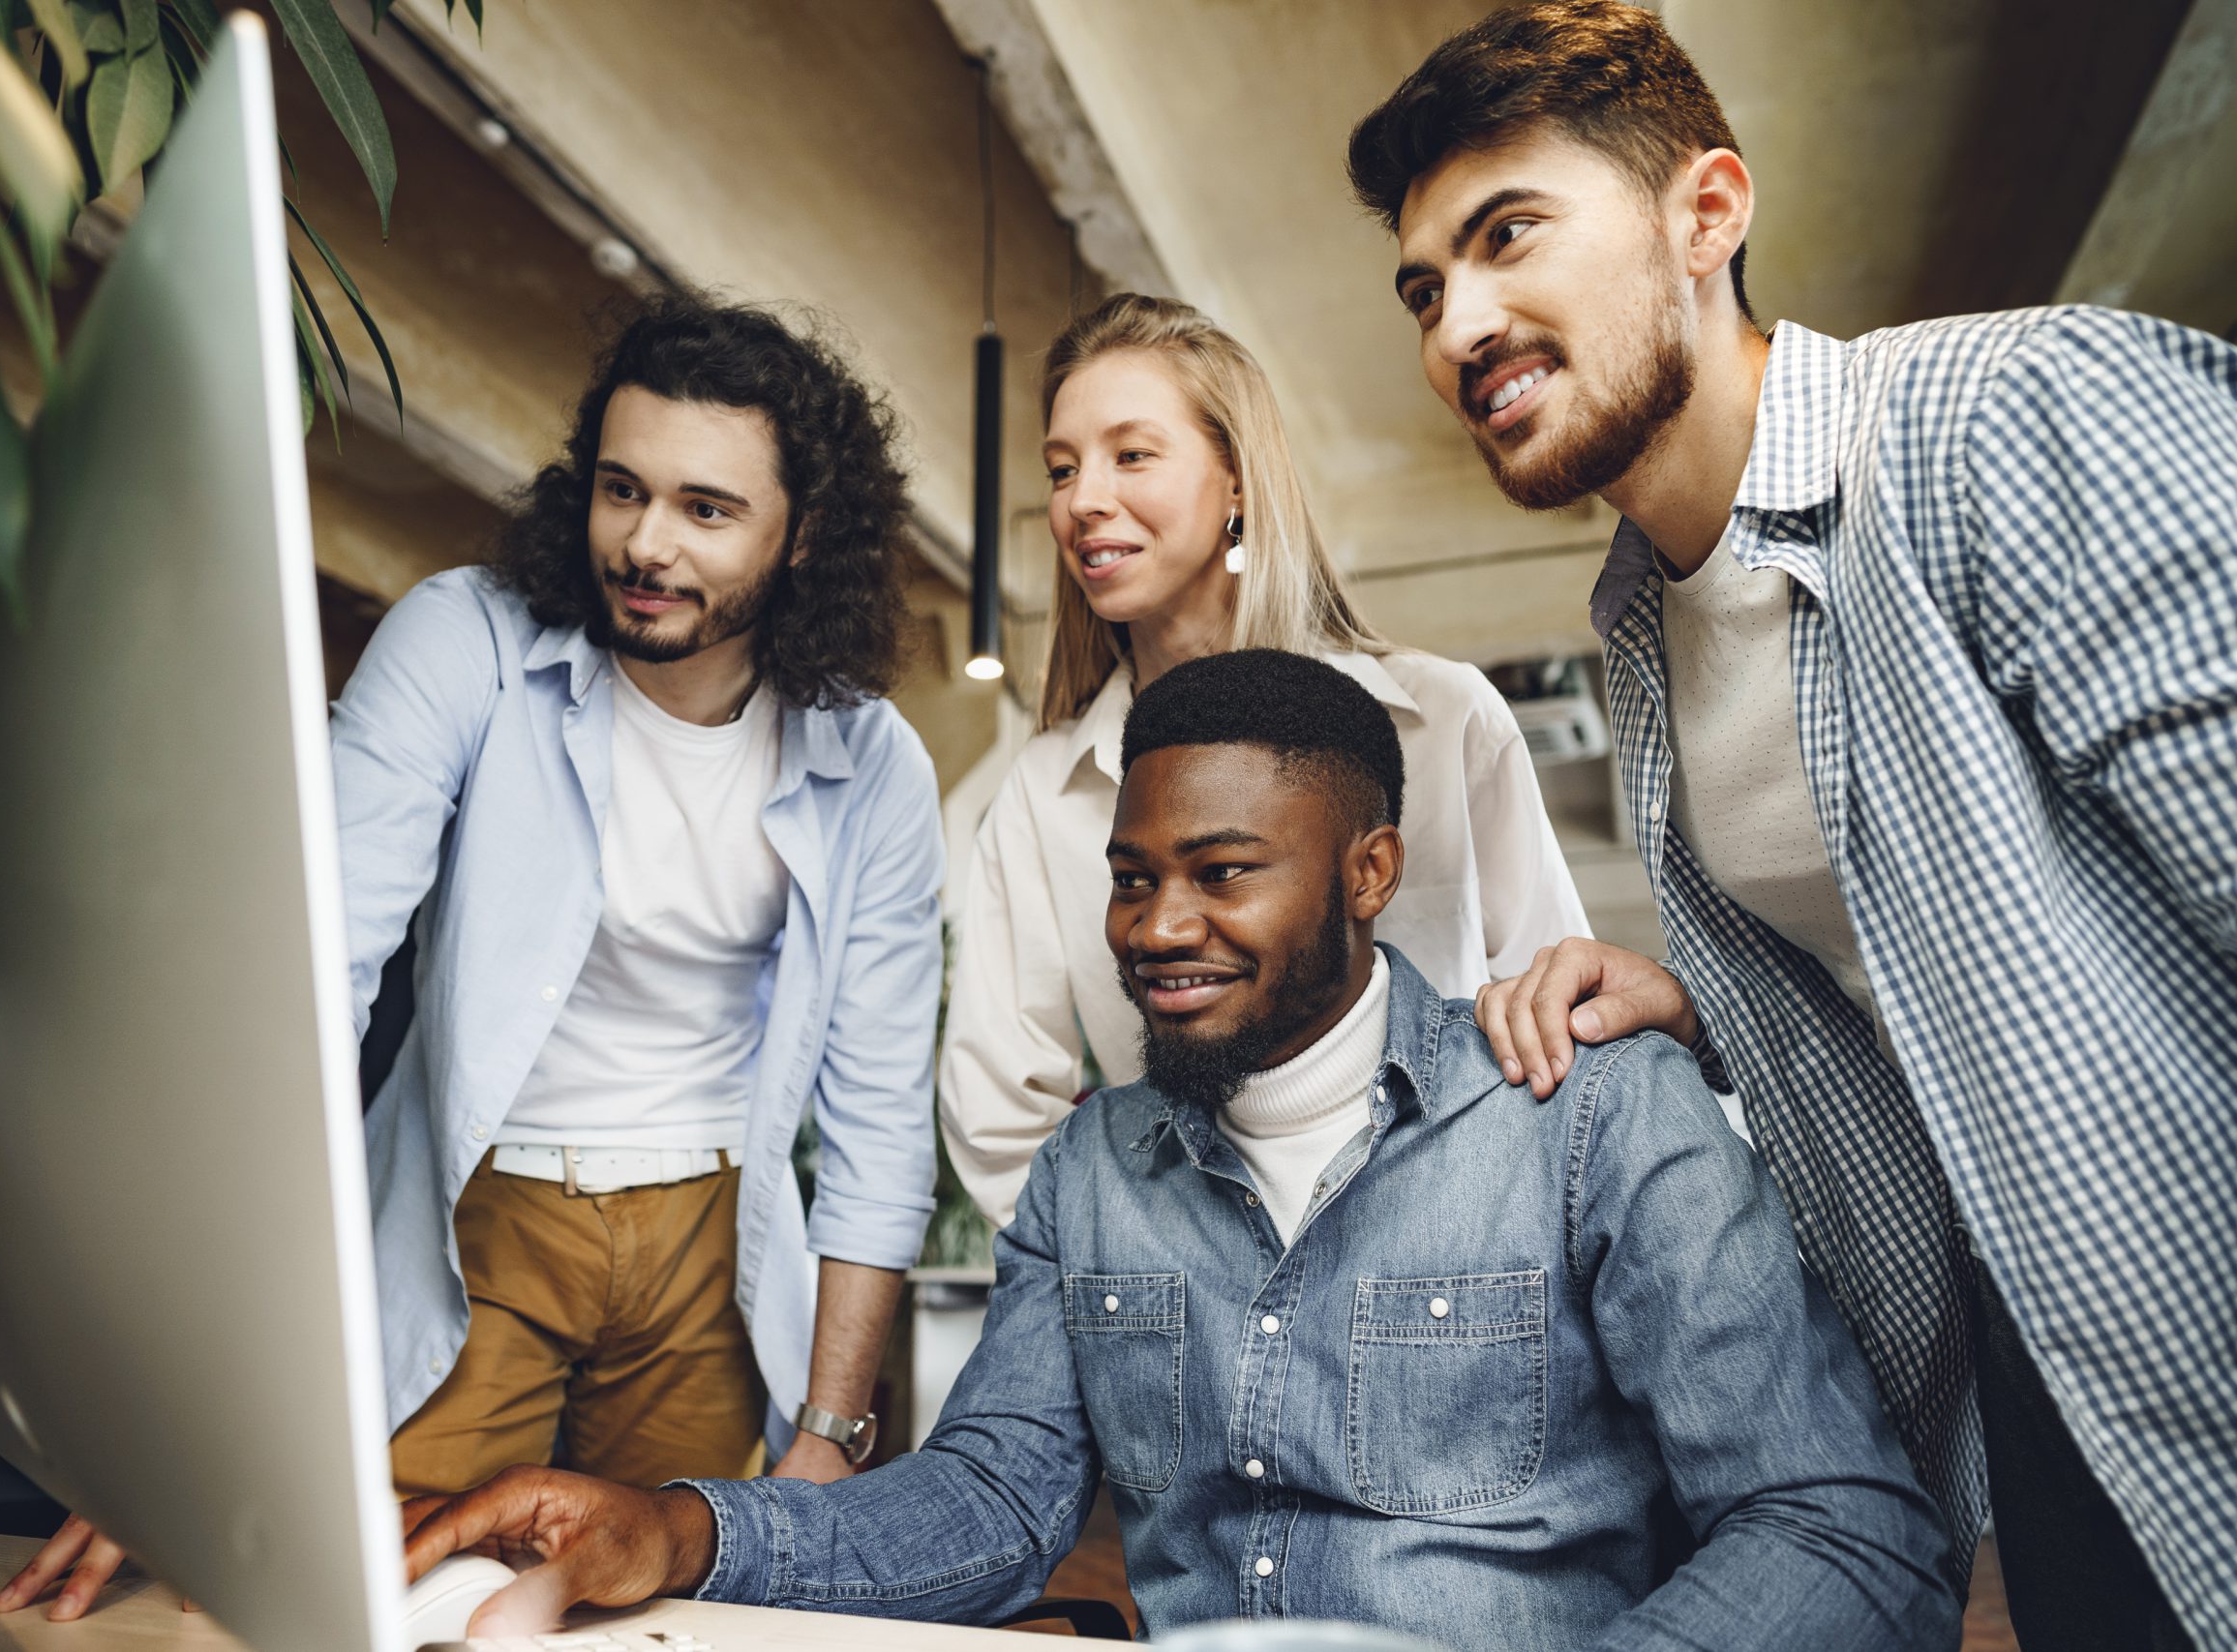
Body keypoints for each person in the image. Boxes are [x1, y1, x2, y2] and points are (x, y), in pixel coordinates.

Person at [396, 649, 1959, 1650]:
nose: (1156, 928)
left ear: (1369, 872)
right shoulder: (1093, 1174)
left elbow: (1846, 1529)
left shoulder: (1594, 1111)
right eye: (1134, 878)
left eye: (1221, 873)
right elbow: (997, 1506)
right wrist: (677, 1525)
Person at [1345, 6, 2237, 1647]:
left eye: (1507, 233)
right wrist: (1713, 1014)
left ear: (1708, 214)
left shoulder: (2011, 417)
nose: (1457, 322)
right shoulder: (1642, 623)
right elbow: (1940, 970)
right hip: (2046, 1381)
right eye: (1423, 286)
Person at [0, 294, 946, 1621]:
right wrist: (188, 1388)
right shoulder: (468, 640)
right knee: (368, 1590)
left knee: (664, 1613)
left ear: (806, 533)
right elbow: (312, 980)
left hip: (710, 1255)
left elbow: (880, 1117)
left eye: (705, 509)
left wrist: (832, 1428)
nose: (647, 543)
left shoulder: (875, 763)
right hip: (477, 1217)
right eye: (621, 489)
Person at [940, 293, 1587, 1230]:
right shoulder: (1046, 795)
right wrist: (1146, 1272)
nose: (1082, 500)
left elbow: (1551, 1010)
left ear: (1236, 482)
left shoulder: (1442, 725)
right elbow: (1002, 1119)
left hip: (1456, 1265)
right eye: (1061, 468)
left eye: (1131, 454)